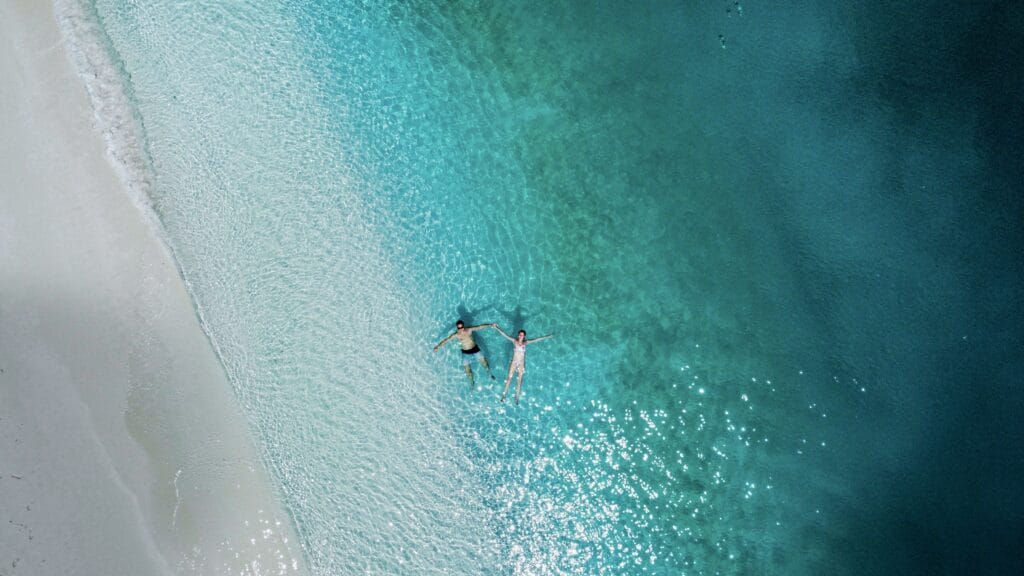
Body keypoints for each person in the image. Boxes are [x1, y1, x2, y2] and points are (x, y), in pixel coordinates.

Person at [493, 324, 553, 405]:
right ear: (518, 335)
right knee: (509, 379)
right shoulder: (514, 341)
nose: (521, 336)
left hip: (521, 363)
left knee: (519, 381)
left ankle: (517, 397)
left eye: (523, 335)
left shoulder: (526, 342)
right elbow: (505, 335)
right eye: (520, 334)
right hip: (514, 362)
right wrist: (497, 328)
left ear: (524, 336)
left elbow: (536, 339)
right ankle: (504, 395)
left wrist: (547, 337)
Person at [433, 320, 496, 384]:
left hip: (474, 349)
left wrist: (490, 325)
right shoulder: (456, 335)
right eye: (459, 328)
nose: (461, 329)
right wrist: (438, 346)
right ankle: (472, 382)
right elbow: (447, 340)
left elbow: (479, 327)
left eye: (462, 327)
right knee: (467, 370)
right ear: (457, 328)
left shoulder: (469, 330)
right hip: (465, 352)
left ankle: (489, 373)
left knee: (484, 362)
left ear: (464, 326)